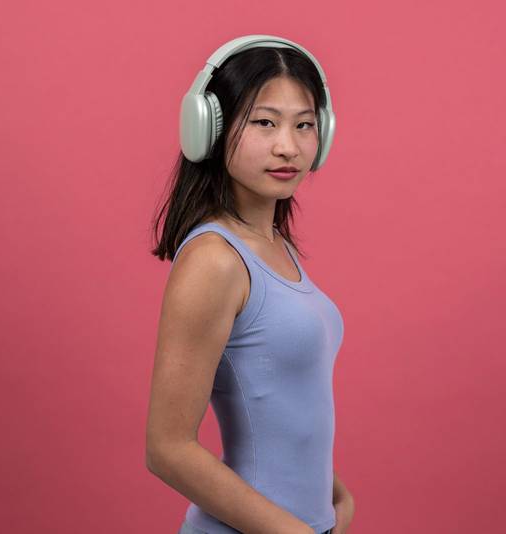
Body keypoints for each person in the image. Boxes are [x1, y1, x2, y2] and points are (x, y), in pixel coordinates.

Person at [145, 35, 355, 534]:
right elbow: (167, 448)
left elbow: (284, 412)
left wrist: (334, 499)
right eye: (264, 122)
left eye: (304, 124)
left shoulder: (274, 245)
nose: (288, 146)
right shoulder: (215, 260)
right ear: (209, 129)